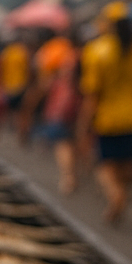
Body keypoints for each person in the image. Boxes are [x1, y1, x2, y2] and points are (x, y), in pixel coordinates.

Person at [79, 2, 132, 225]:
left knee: (106, 165)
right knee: (126, 164)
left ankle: (116, 195)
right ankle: (121, 193)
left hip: (107, 119)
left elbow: (93, 94)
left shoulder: (96, 51)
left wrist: (83, 124)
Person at [30, 27, 79, 193]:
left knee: (62, 142)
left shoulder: (47, 53)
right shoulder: (71, 49)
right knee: (75, 137)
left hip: (61, 101)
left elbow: (45, 82)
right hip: (81, 99)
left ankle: (68, 177)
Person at [1, 32, 31, 143]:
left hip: (8, 86)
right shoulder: (22, 52)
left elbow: (2, 69)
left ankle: (14, 131)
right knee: (21, 112)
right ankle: (21, 135)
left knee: (12, 111)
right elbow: (27, 69)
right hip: (20, 86)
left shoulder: (7, 52)